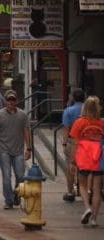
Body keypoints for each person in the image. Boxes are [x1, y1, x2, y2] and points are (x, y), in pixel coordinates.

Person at [0, 90, 32, 210]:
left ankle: (16, 194)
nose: (11, 102)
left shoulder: (23, 115)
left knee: (20, 176)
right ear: (5, 101)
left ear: (16, 101)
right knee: (6, 176)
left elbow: (26, 131)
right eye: (9, 100)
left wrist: (28, 148)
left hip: (18, 151)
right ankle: (8, 200)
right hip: (4, 151)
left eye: (13, 99)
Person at [69, 95, 104, 226]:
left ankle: (86, 207)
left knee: (82, 186)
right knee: (97, 189)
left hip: (84, 157)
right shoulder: (101, 123)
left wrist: (73, 161)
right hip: (98, 158)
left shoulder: (80, 123)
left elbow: (75, 143)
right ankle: (94, 219)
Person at [61, 88, 85, 203]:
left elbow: (66, 129)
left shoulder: (68, 111)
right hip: (87, 142)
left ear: (73, 98)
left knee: (71, 167)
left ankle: (70, 192)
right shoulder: (89, 110)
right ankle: (84, 190)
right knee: (85, 168)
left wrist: (64, 144)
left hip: (72, 141)